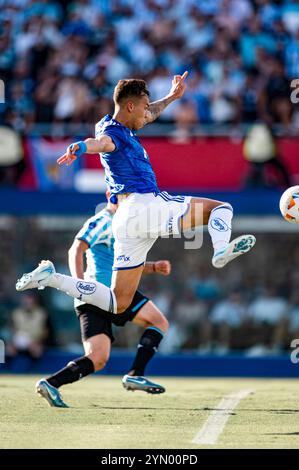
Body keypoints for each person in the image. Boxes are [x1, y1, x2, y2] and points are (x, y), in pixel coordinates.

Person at [16, 72, 256, 348]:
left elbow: (147, 115)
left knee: (118, 304)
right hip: (145, 205)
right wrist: (80, 147)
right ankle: (220, 251)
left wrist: (172, 97)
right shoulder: (113, 134)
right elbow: (101, 144)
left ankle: (52, 278)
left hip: (125, 220)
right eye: (143, 105)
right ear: (130, 106)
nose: (147, 112)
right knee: (221, 209)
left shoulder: (118, 125)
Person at [33, 195, 170, 407]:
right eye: (127, 196)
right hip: (110, 293)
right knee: (158, 322)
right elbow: (76, 249)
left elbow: (122, 262)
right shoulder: (104, 220)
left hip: (95, 297)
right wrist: (78, 285)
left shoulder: (120, 224)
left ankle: (51, 383)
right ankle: (136, 373)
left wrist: (152, 267)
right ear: (113, 197)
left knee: (97, 358)